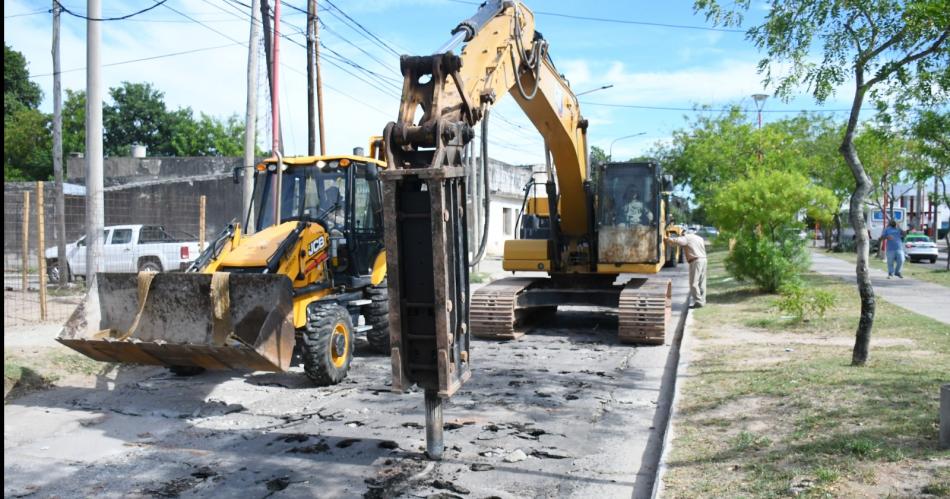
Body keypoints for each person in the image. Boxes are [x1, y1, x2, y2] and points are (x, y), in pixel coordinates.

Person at [664, 231, 707, 308]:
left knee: (693, 283)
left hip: (695, 261)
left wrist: (666, 239)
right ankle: (702, 301)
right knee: (702, 282)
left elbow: (676, 241)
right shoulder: (700, 238)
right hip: (703, 260)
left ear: (684, 234)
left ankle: (698, 301)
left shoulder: (687, 238)